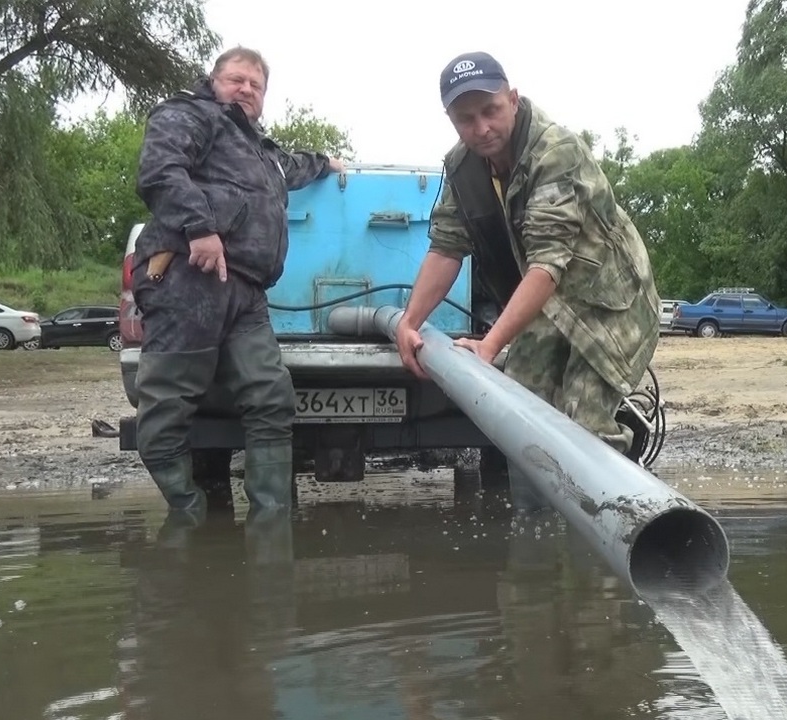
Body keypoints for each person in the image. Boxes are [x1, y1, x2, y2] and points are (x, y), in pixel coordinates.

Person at [394, 51, 661, 457]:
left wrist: (488, 345)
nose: (482, 128)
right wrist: (409, 323)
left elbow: (546, 265)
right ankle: (533, 520)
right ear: (450, 118)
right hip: (549, 305)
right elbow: (447, 246)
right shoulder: (463, 167)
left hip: (612, 306)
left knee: (582, 424)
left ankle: (633, 514)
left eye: (491, 110)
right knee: (519, 414)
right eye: (466, 119)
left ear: (513, 99)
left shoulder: (555, 153)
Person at [131, 46, 344, 513]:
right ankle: (189, 518)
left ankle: (270, 526)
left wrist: (325, 161)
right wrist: (200, 228)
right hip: (189, 277)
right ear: (214, 81)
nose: (246, 89)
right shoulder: (191, 114)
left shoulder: (260, 152)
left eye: (256, 84)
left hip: (247, 290)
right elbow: (159, 170)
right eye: (236, 80)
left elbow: (292, 168)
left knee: (271, 397)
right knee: (168, 407)